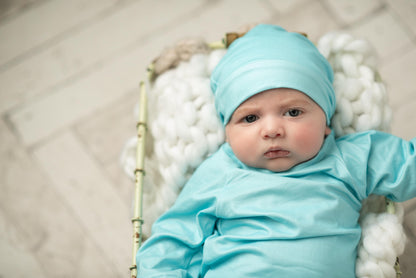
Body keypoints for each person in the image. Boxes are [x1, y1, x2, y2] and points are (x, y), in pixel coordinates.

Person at [136, 24, 416, 277]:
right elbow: (171, 240)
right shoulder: (221, 172)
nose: (271, 130)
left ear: (326, 121)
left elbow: (408, 166)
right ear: (227, 132)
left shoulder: (350, 158)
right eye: (250, 118)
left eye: (293, 112)